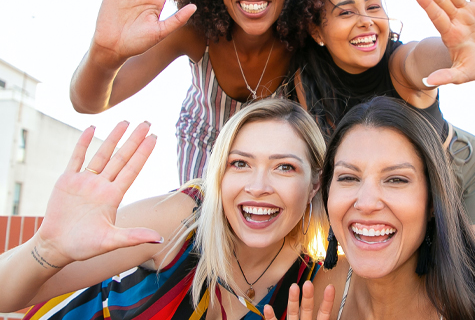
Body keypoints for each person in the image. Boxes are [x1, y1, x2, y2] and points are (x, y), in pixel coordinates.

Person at [69, 0, 351, 184]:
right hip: (203, 149)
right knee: (201, 224)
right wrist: (103, 53)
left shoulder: (302, 42)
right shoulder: (194, 33)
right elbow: (88, 102)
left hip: (272, 156)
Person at [0, 99, 328, 319]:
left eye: (284, 167)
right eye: (239, 163)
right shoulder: (182, 219)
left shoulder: (316, 283)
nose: (258, 186)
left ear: (315, 183)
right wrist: (46, 249)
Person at [293, 0, 475, 263]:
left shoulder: (400, 64)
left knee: (463, 299)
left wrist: (456, 52)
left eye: (373, 7)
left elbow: (422, 57)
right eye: (346, 12)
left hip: (470, 177)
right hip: (403, 193)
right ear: (317, 30)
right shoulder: (308, 80)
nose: (366, 21)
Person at [311, 97, 475, 320]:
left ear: (433, 201)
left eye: (396, 180)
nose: (367, 203)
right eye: (349, 178)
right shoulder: (327, 287)